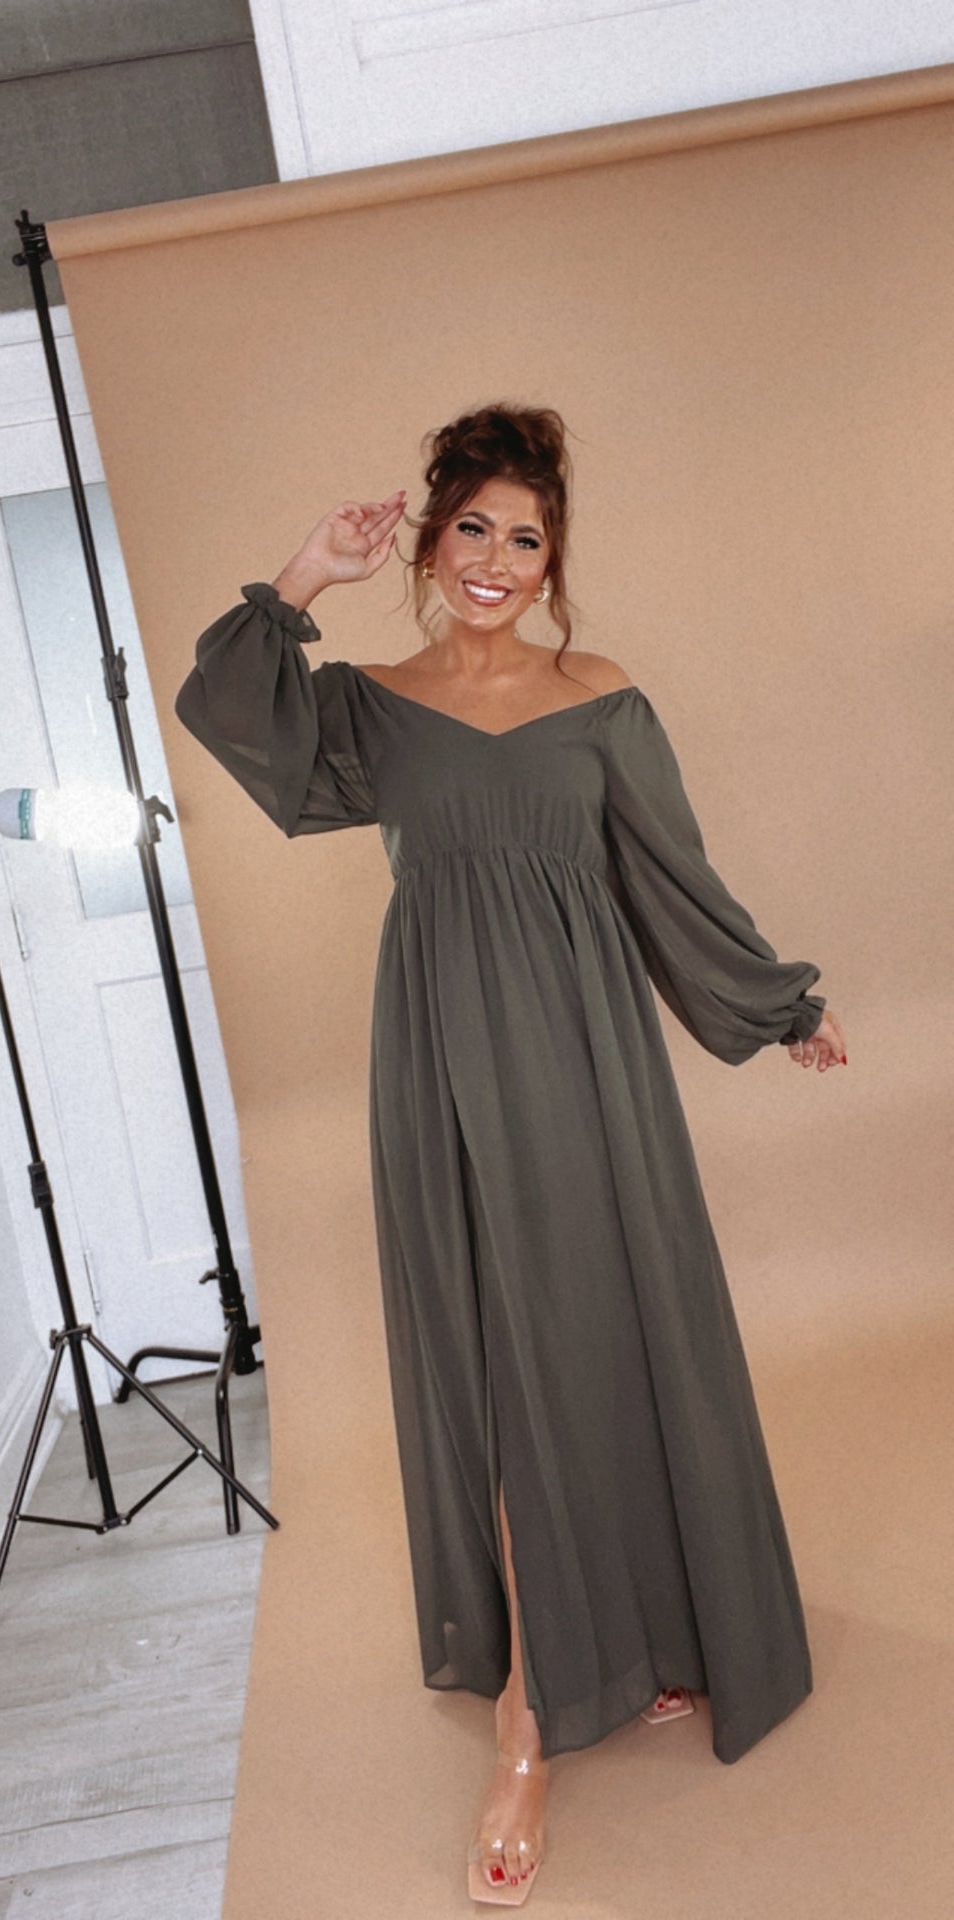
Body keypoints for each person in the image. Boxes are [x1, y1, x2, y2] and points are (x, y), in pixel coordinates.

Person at [174, 403, 848, 1907]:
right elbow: (228, 710)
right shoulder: (368, 708)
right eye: (470, 527)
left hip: (594, 1073)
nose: (495, 559)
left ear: (553, 561)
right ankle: (528, 1724)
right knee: (504, 1371)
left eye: (525, 538)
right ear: (428, 542)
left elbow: (671, 876)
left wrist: (777, 1007)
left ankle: (641, 1636)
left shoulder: (599, 697)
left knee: (609, 1344)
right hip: (445, 1073)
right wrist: (307, 571)